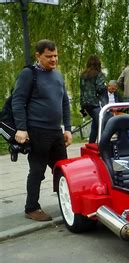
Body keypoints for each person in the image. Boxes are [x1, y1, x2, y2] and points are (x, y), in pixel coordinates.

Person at [12, 39, 72, 221]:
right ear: (38, 55)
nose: (53, 59)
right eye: (49, 56)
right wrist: (21, 128)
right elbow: (18, 101)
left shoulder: (58, 75)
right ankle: (31, 208)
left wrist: (68, 128)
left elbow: (65, 102)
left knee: (63, 170)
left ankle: (65, 201)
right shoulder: (29, 74)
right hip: (37, 131)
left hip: (55, 132)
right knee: (37, 171)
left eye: (55, 55)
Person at [80, 54, 107, 143]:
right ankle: (103, 147)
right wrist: (105, 87)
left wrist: (82, 108)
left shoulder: (83, 75)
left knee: (95, 125)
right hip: (95, 103)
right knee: (102, 124)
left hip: (85, 104)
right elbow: (100, 88)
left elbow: (82, 90)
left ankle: (91, 145)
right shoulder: (99, 74)